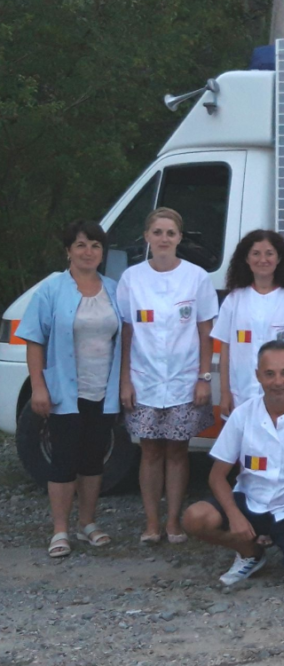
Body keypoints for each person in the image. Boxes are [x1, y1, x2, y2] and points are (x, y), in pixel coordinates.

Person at [182, 342, 284, 591]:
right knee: (195, 518)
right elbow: (217, 476)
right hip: (250, 501)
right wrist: (235, 517)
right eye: (270, 374)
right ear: (258, 375)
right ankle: (250, 553)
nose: (278, 382)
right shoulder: (243, 414)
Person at [17, 220, 123, 557]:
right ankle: (60, 530)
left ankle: (87, 523)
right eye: (80, 245)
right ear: (68, 251)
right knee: (63, 460)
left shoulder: (114, 290)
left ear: (102, 252)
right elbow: (34, 340)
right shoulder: (51, 290)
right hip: (65, 392)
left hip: (102, 391)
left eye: (95, 245)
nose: (88, 252)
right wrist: (38, 387)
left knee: (93, 460)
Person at [117, 207, 219, 545]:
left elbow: (205, 332)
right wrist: (125, 380)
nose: (164, 239)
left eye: (170, 233)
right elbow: (127, 333)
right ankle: (151, 523)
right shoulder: (132, 279)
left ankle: (174, 521)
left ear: (179, 238)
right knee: (149, 452)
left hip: (184, 381)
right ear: (147, 236)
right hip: (143, 380)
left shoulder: (196, 277)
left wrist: (204, 377)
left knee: (177, 451)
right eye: (157, 232)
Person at [212, 230, 284, 414]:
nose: (263, 260)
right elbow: (225, 348)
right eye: (256, 253)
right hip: (241, 394)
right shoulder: (234, 299)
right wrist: (225, 393)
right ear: (246, 259)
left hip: (283, 394)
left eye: (269, 253)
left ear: (279, 258)